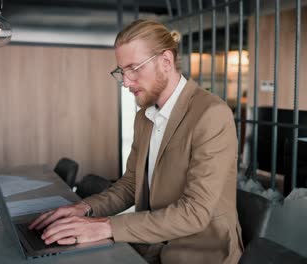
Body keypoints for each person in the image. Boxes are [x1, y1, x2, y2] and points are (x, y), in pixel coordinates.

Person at [29, 19, 243, 264]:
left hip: (200, 253)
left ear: (166, 62)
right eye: (122, 71)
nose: (126, 82)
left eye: (134, 68)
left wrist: (105, 226)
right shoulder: (145, 117)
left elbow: (195, 213)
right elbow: (131, 185)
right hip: (151, 247)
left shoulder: (211, 114)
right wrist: (83, 209)